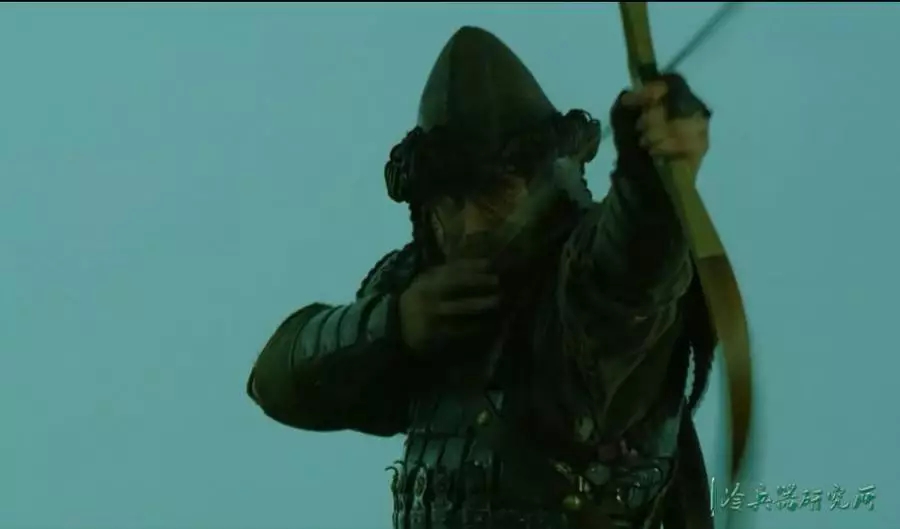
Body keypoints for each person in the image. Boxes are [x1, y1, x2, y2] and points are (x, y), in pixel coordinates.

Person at [247, 25, 718, 529]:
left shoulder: (581, 283)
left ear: (547, 182)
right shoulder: (416, 290)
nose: (470, 226)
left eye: (494, 192)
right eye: (450, 201)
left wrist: (653, 175)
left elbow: (635, 264)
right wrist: (395, 326)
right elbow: (276, 382)